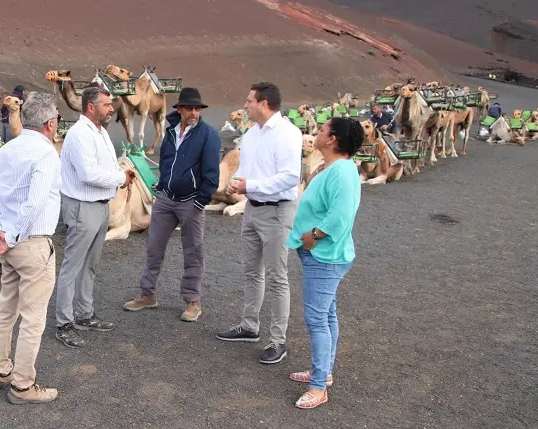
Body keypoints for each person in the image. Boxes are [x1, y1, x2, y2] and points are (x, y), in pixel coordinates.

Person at [0, 91, 62, 405]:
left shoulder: (4, 152)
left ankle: (0, 370)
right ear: (51, 123)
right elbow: (35, 202)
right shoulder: (46, 154)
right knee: (33, 318)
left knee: (7, 311)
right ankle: (23, 386)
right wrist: (12, 236)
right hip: (31, 244)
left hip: (9, 246)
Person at [214, 82, 302, 365]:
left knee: (277, 277)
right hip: (252, 208)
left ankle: (278, 340)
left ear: (264, 103)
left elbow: (290, 177)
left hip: (277, 212)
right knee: (252, 272)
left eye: (249, 100)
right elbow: (246, 168)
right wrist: (236, 182)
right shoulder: (252, 134)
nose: (245, 105)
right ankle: (250, 326)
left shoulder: (288, 134)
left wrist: (250, 184)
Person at [285, 117, 363, 409]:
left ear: (333, 139)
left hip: (324, 255)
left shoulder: (342, 172)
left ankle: (319, 387)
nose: (316, 133)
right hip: (319, 253)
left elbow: (341, 216)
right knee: (327, 314)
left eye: (321, 130)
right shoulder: (332, 168)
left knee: (317, 319)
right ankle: (323, 372)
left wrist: (313, 236)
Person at [123, 87, 220, 321]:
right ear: (180, 109)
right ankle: (148, 294)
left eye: (197, 108)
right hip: (166, 199)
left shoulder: (209, 135)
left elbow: (211, 173)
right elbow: (166, 160)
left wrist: (201, 200)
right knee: (153, 248)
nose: (194, 112)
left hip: (191, 202)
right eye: (190, 108)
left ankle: (193, 301)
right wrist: (162, 184)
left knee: (193, 251)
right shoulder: (171, 132)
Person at [54, 87, 135, 348]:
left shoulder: (99, 133)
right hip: (82, 206)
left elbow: (103, 169)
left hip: (99, 207)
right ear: (91, 107)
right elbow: (88, 174)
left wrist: (118, 174)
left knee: (90, 264)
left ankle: (84, 314)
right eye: (107, 104)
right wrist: (121, 178)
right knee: (73, 265)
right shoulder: (79, 135)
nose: (112, 108)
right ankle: (64, 323)